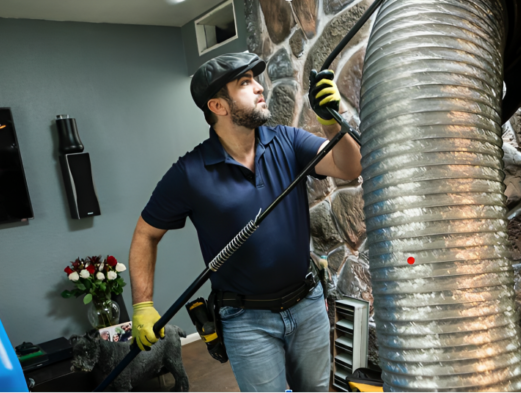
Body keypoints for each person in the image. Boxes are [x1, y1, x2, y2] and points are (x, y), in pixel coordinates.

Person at [128, 52, 361, 392]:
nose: (259, 88)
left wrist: (331, 119)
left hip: (308, 305)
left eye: (255, 78)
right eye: (245, 83)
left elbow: (349, 168)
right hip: (246, 321)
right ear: (218, 107)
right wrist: (142, 305)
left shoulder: (288, 141)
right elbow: (145, 234)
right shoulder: (189, 173)